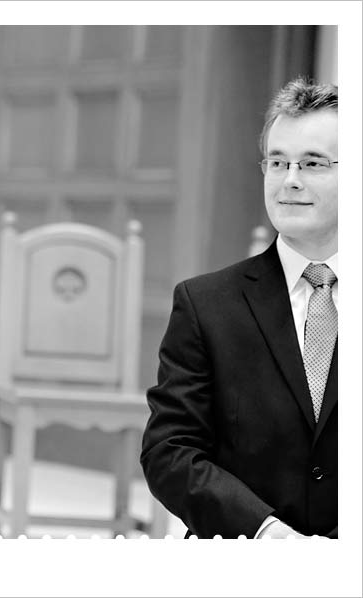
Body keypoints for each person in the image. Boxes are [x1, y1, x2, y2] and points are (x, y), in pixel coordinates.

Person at [141, 78, 338, 539]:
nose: (290, 179)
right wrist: (264, 532)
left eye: (312, 163)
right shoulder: (205, 304)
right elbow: (169, 451)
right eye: (277, 162)